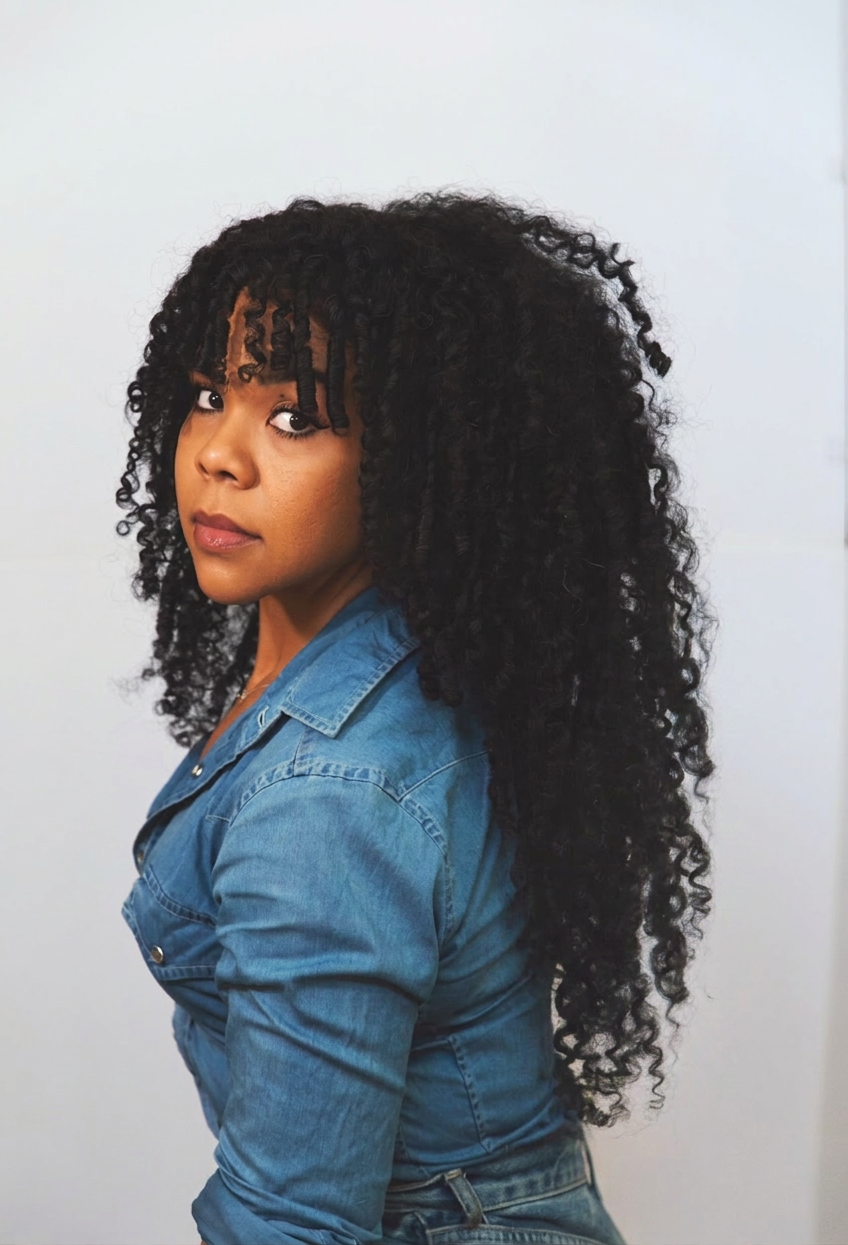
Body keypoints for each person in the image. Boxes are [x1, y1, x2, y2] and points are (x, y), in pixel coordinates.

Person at [116, 192, 714, 1245]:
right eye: (210, 394)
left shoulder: (329, 796)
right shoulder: (404, 663)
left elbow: (293, 1226)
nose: (219, 453)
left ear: (410, 459)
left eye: (294, 417)